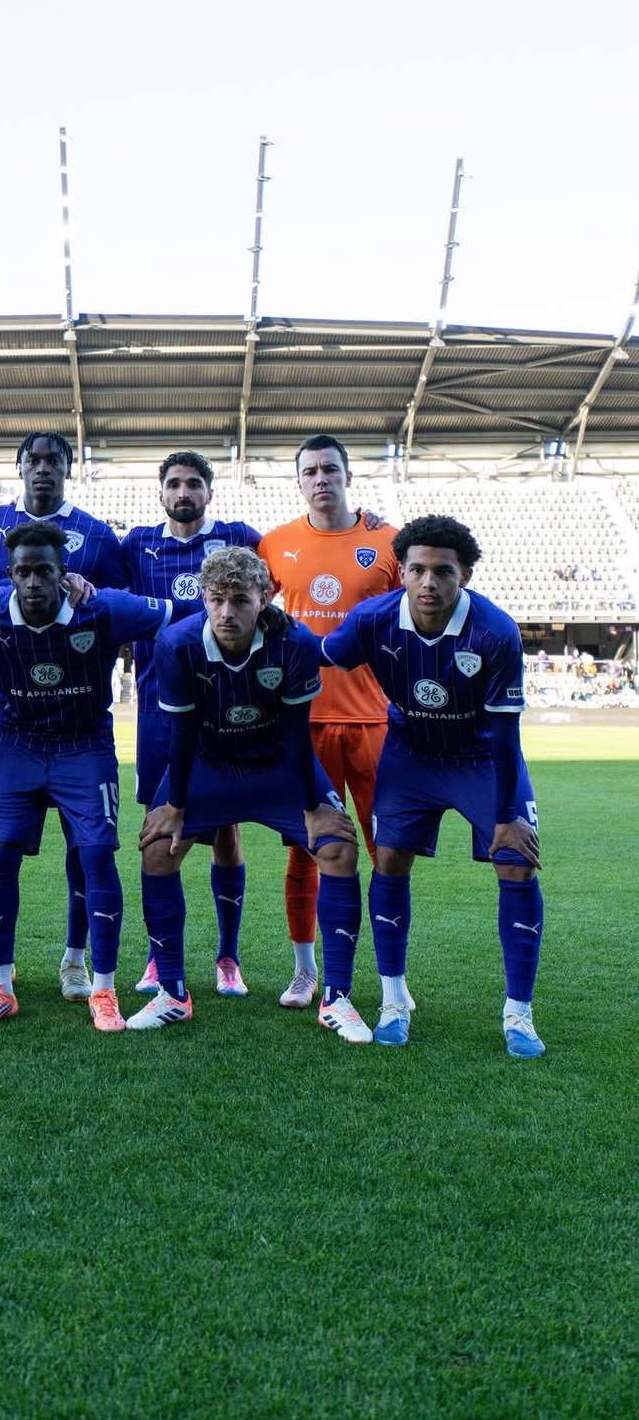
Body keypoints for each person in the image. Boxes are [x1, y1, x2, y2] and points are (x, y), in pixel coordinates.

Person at [320, 515, 546, 1056]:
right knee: (389, 859)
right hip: (410, 757)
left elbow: (506, 734)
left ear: (464, 575)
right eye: (417, 569)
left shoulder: (495, 630)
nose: (428, 582)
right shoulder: (373, 619)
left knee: (516, 862)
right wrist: (267, 624)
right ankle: (393, 1001)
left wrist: (507, 815)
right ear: (401, 572)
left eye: (443, 571)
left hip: (481, 758)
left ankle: (519, 1015)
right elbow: (321, 653)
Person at [0, 520, 172, 1030]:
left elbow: (183, 615)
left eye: (43, 571)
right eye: (22, 572)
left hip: (84, 747)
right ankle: (0, 987)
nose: (32, 582)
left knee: (95, 856)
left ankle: (103, 990)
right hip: (19, 746)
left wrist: (262, 615)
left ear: (62, 572)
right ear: (10, 575)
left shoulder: (104, 608)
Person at [130, 547, 360, 1031]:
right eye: (216, 600)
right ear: (203, 599)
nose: (226, 613)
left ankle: (337, 999)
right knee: (157, 849)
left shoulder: (296, 642)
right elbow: (182, 731)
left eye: (239, 600)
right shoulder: (176, 644)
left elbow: (297, 731)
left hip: (276, 765)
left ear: (264, 599)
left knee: (338, 848)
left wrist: (313, 807)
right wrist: (174, 806)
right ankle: (172, 993)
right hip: (208, 764)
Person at [0, 431, 128, 1002]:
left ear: (68, 468)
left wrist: (82, 587)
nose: (42, 469)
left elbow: (116, 605)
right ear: (18, 467)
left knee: (86, 847)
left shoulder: (97, 534)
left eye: (53, 460)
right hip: (7, 713)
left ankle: (75, 958)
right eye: (32, 460)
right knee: (2, 841)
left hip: (78, 711)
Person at [257, 434, 400, 1020]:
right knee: (306, 852)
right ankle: (305, 971)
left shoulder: (388, 542)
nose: (321, 479)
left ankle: (392, 979)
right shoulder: (275, 544)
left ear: (347, 476)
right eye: (311, 471)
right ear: (299, 481)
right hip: (304, 722)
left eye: (330, 469)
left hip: (373, 722)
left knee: (386, 852)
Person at [121, 450, 262, 1000]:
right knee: (159, 831)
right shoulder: (136, 545)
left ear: (209, 491)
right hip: (158, 710)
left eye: (194, 483)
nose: (184, 492)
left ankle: (228, 957)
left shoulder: (237, 537)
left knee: (226, 830)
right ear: (161, 492)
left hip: (223, 708)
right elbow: (105, 592)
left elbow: (284, 569)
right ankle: (159, 959)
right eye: (175, 483)